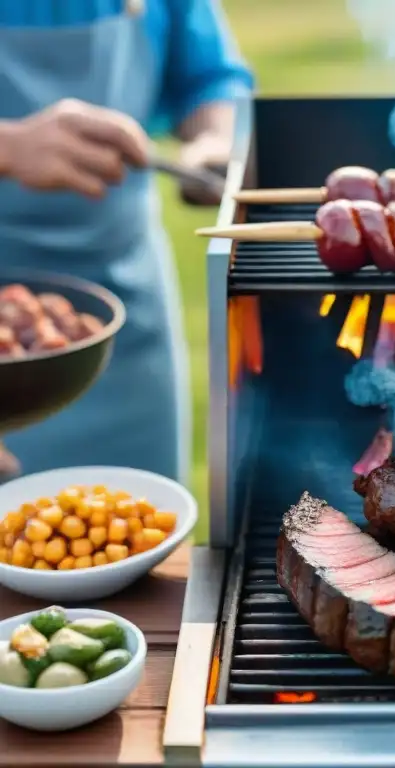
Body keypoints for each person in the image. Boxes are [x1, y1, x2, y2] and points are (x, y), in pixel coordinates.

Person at [0, 0, 252, 484]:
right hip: (8, 340)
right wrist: (10, 148)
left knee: (137, 528)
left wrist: (214, 142)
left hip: (129, 308)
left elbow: (210, 77)